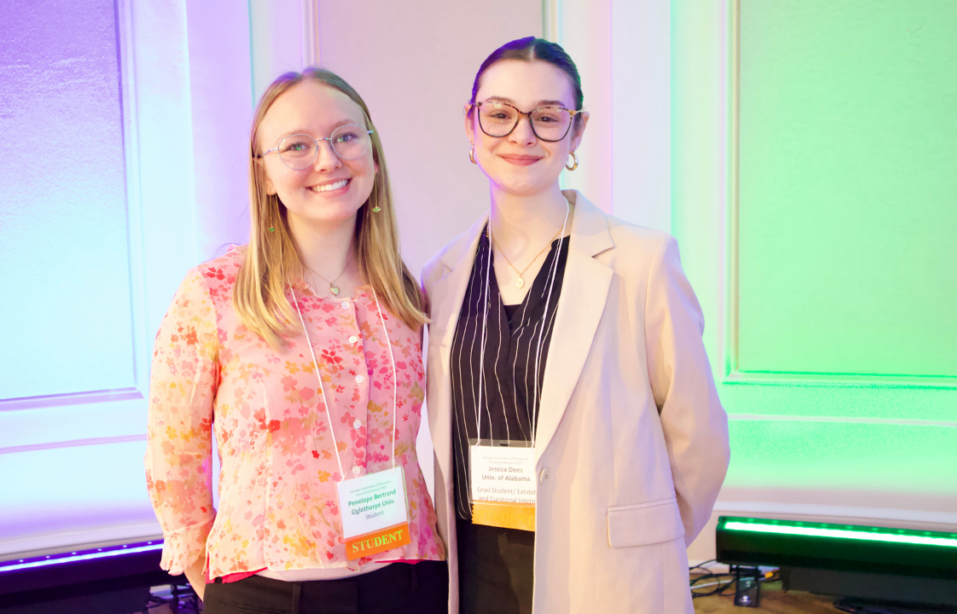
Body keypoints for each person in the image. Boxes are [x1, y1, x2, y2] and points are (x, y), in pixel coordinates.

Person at [421, 37, 730, 614]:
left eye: (546, 117)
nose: (522, 136)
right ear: (470, 125)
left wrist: (645, 541)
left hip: (604, 573)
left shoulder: (642, 262)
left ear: (577, 131)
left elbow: (699, 440)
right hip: (478, 564)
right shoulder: (440, 275)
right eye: (500, 114)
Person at [145, 68, 447, 614]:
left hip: (406, 586)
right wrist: (209, 582)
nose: (328, 160)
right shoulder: (216, 292)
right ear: (264, 175)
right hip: (268, 593)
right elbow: (175, 450)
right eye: (297, 146)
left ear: (373, 155)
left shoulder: (404, 292)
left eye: (345, 136)